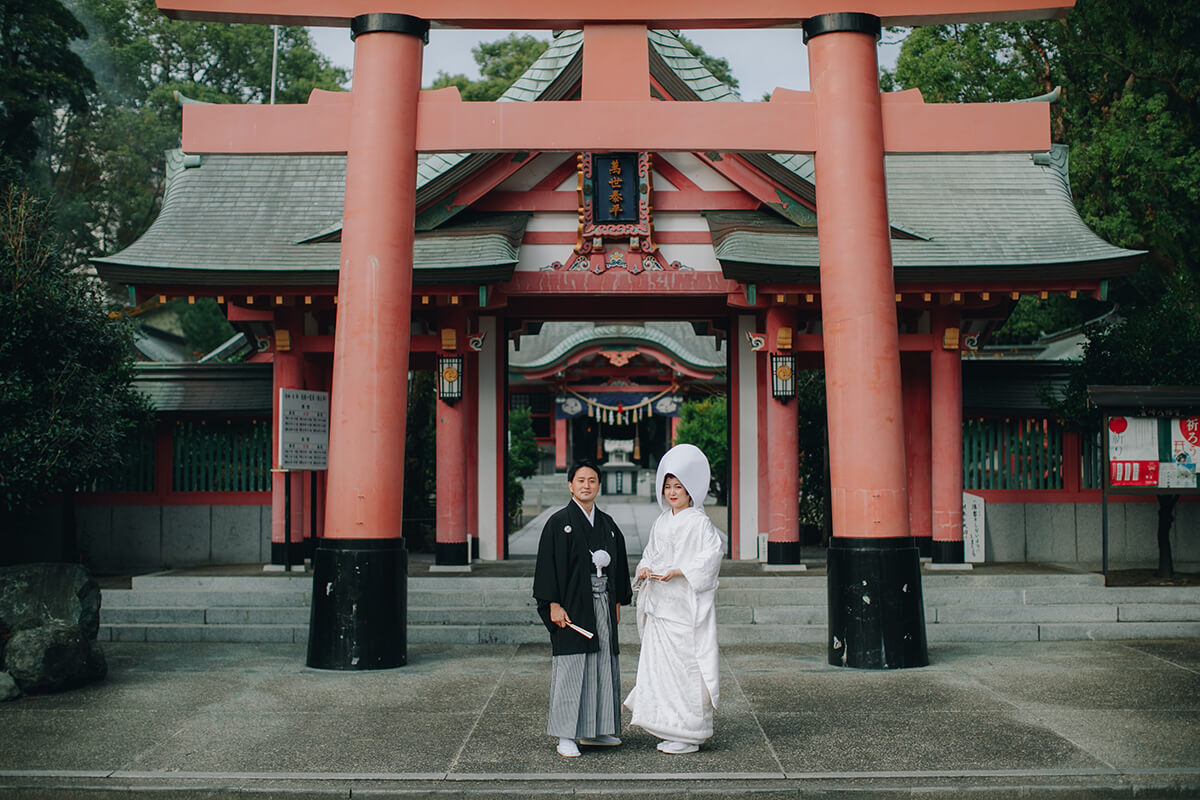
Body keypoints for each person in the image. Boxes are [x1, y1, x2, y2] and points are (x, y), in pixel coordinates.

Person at [624, 443, 724, 754]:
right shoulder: (662, 521)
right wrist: (644, 570)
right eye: (668, 486)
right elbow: (650, 554)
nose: (672, 492)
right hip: (660, 606)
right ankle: (669, 726)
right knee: (661, 671)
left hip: (683, 607)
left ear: (690, 490)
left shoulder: (699, 522)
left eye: (678, 486)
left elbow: (712, 556)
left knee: (685, 668)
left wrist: (678, 571)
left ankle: (690, 732)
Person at [533, 460, 633, 758]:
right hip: (573, 604)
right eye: (580, 480)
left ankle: (598, 729)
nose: (586, 485)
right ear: (570, 485)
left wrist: (616, 601)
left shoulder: (608, 525)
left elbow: (619, 565)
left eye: (592, 480)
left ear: (598, 486)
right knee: (573, 666)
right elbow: (547, 566)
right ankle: (566, 734)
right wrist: (553, 603)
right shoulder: (558, 522)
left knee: (604, 664)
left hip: (602, 602)